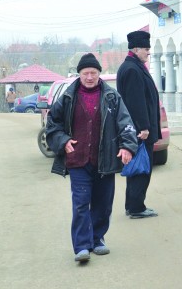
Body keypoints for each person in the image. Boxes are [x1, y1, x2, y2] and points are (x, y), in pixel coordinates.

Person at [45, 53, 138, 263]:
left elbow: (126, 124)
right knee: (80, 203)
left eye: (93, 73)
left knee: (103, 204)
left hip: (104, 159)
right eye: (85, 73)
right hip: (78, 160)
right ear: (79, 74)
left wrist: (127, 148)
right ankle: (81, 246)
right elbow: (52, 125)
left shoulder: (112, 97)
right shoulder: (68, 98)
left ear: (99, 74)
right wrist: (63, 141)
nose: (89, 77)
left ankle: (97, 239)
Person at [117, 30, 162, 219]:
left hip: (137, 129)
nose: (148, 53)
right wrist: (143, 127)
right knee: (142, 168)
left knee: (137, 167)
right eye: (146, 49)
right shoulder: (133, 70)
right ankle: (136, 208)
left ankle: (133, 205)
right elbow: (136, 102)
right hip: (139, 131)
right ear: (136, 49)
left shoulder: (132, 66)